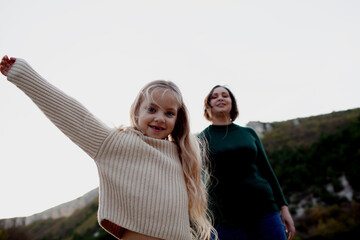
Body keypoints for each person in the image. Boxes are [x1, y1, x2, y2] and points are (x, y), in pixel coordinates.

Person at [0, 55, 216, 240]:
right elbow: (72, 114)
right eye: (152, 109)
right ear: (137, 112)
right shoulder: (116, 144)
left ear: (177, 120)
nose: (160, 118)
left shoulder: (184, 156)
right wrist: (23, 74)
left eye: (169, 113)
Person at [198, 85, 295, 240]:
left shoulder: (248, 133)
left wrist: (283, 208)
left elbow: (266, 170)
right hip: (224, 217)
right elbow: (196, 179)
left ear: (232, 103)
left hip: (265, 210)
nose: (220, 98)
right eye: (214, 96)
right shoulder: (201, 139)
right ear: (207, 105)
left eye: (225, 95)